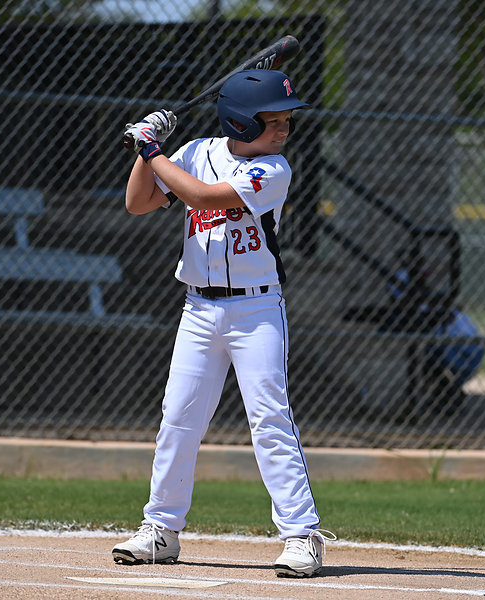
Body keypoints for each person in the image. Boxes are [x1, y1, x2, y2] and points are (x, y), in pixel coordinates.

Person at [112, 69, 332, 577]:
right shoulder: (191, 152)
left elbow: (204, 198)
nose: (283, 129)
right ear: (239, 120)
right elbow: (139, 202)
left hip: (256, 312)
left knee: (269, 418)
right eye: (271, 120)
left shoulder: (273, 169)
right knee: (178, 418)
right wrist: (152, 143)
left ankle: (302, 534)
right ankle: (161, 530)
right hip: (198, 308)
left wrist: (150, 151)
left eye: (285, 120)